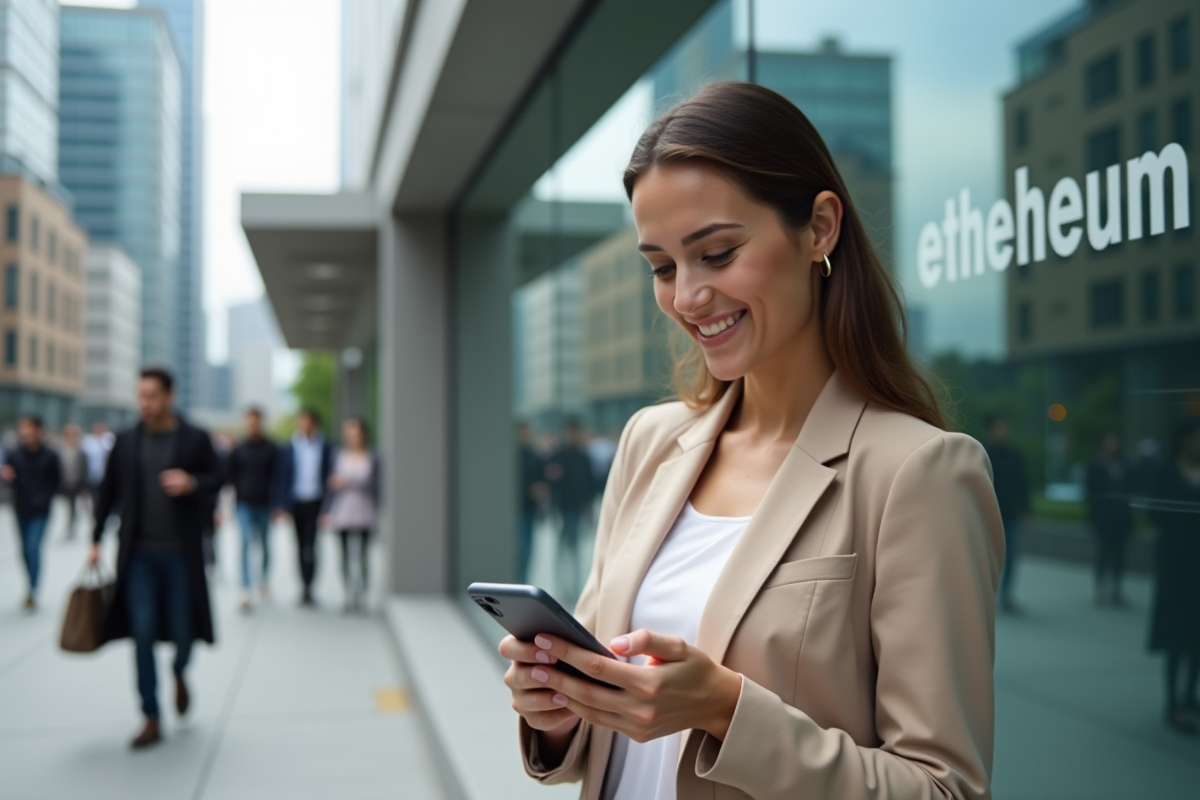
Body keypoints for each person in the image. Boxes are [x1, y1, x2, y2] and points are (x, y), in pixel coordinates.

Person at [500, 82, 1004, 800]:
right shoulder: (649, 443)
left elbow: (943, 787)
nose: (686, 297)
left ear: (819, 228)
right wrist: (557, 708)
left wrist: (725, 711)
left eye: (717, 252)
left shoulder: (918, 473)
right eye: (662, 267)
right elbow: (606, 740)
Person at [87, 367, 223, 749]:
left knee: (182, 631)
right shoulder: (126, 440)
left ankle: (179, 671)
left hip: (180, 555)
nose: (145, 403)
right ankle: (150, 714)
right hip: (138, 556)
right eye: (141, 396)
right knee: (142, 631)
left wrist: (192, 482)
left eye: (152, 396)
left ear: (170, 396)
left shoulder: (194, 438)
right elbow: (108, 490)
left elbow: (218, 478)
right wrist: (95, 538)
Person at [1145, 418, 1200, 735]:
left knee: (1196, 636)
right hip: (1175, 565)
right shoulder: (1165, 471)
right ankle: (1173, 702)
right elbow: (1154, 512)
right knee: (1175, 636)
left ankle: (1190, 694)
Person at [272, 407, 332, 606]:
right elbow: (281, 477)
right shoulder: (288, 447)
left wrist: (328, 508)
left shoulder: (325, 447)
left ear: (315, 424)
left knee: (311, 546)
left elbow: (328, 475)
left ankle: (310, 586)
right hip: (296, 502)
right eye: (301, 421)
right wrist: (281, 505)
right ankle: (303, 586)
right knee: (299, 546)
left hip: (316, 502)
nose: (304, 425)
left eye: (308, 421)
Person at [2, 415, 62, 610]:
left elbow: (57, 481)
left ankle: (33, 589)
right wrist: (6, 477)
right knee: (24, 551)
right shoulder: (14, 454)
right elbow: (8, 476)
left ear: (38, 430)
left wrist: (45, 498)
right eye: (22, 428)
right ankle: (30, 581)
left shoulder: (50, 455)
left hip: (41, 510)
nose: (24, 431)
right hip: (21, 508)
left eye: (28, 427)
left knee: (32, 547)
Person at [321, 417, 380, 612]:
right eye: (349, 434)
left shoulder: (373, 456)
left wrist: (349, 482)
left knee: (362, 556)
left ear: (363, 435)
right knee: (344, 556)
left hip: (364, 510)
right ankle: (348, 593)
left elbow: (377, 485)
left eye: (356, 434)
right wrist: (326, 510)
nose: (352, 437)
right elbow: (331, 486)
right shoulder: (337, 455)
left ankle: (362, 594)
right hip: (342, 510)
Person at [227, 408, 277, 611]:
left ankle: (263, 579)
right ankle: (245, 588)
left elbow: (278, 476)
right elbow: (230, 476)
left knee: (264, 545)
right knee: (245, 543)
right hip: (244, 504)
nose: (252, 426)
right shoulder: (238, 449)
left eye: (255, 422)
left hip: (265, 504)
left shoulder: (271, 448)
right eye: (249, 422)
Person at [983, 414, 1031, 613]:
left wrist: (1026, 510)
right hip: (987, 515)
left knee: (1010, 555)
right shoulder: (983, 453)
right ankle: (985, 593)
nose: (1002, 431)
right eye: (999, 427)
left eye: (1005, 427)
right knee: (985, 556)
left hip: (1009, 515)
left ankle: (1006, 594)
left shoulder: (1014, 456)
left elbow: (1022, 484)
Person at [545, 419, 598, 600]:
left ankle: (574, 587)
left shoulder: (584, 457)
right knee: (563, 549)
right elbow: (551, 482)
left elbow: (590, 484)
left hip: (577, 508)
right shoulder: (559, 456)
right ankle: (563, 586)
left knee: (574, 549)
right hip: (563, 508)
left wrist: (589, 507)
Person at [1084, 431, 1135, 606]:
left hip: (1122, 517)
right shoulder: (1095, 465)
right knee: (1103, 552)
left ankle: (1117, 588)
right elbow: (1089, 491)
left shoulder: (1125, 465)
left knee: (1120, 553)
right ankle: (1100, 586)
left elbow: (1132, 488)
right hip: (1103, 517)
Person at [517, 423, 549, 582]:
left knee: (527, 549)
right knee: (518, 548)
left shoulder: (535, 457)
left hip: (529, 509)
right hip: (514, 509)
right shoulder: (512, 457)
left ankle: (523, 580)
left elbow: (542, 483)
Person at [57, 424, 89, 540]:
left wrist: (84, 486)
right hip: (64, 483)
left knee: (73, 507)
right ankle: (69, 525)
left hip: (76, 483)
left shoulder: (80, 451)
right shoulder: (61, 450)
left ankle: (71, 527)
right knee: (66, 507)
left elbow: (84, 469)